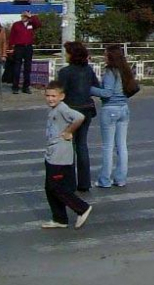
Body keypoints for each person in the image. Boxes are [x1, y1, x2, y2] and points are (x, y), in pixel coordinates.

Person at [42, 80, 93, 230]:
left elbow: (79, 117)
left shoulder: (62, 108)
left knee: (56, 187)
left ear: (62, 96)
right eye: (48, 96)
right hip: (52, 153)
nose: (50, 99)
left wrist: (69, 131)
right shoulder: (54, 109)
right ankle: (59, 218)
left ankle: (82, 208)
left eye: (54, 96)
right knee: (49, 187)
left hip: (60, 155)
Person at [90, 45, 138, 188]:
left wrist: (90, 89)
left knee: (108, 146)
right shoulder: (125, 70)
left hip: (110, 109)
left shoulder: (111, 72)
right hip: (124, 109)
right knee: (122, 146)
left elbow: (107, 93)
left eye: (105, 55)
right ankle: (121, 178)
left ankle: (105, 180)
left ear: (111, 56)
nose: (104, 57)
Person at [57, 41, 100, 193]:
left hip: (71, 112)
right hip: (87, 110)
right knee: (82, 145)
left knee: (68, 146)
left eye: (67, 52)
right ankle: (84, 182)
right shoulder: (88, 69)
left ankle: (69, 181)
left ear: (72, 54)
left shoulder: (65, 72)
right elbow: (96, 86)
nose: (65, 54)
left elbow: (59, 92)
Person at [8, 10, 41, 94]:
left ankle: (26, 87)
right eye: (22, 16)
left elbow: (38, 24)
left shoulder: (31, 24)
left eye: (25, 16)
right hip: (19, 47)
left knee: (27, 68)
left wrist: (31, 17)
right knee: (17, 67)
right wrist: (10, 48)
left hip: (28, 47)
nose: (23, 17)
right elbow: (12, 37)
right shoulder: (16, 24)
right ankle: (15, 86)